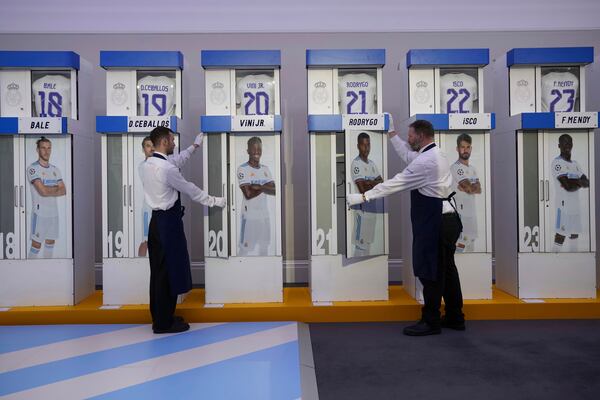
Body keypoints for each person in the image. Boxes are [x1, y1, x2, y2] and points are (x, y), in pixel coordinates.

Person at [347, 118, 464, 336]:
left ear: (420, 136)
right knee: (447, 270)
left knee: (431, 272)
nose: (408, 139)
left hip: (435, 223)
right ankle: (455, 317)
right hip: (448, 221)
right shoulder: (433, 153)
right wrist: (392, 134)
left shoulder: (425, 162)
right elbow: (406, 154)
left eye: (410, 136)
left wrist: (364, 196)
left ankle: (431, 321)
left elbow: (396, 183)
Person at [141, 127, 226, 334]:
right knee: (168, 273)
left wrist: (194, 146)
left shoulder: (147, 164)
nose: (174, 143)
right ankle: (164, 324)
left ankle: (162, 317)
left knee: (159, 273)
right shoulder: (167, 169)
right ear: (163, 142)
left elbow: (177, 160)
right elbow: (190, 190)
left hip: (156, 223)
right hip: (168, 223)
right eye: (171, 140)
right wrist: (215, 201)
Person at [137, 134, 203, 257]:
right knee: (147, 244)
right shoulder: (145, 166)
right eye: (147, 146)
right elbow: (175, 163)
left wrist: (195, 145)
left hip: (163, 216)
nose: (151, 149)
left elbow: (179, 159)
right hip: (150, 212)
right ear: (143, 149)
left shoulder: (163, 163)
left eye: (152, 146)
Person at [28, 137, 66, 259]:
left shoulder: (55, 170)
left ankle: (48, 271)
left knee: (50, 243)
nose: (46, 151)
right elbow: (42, 191)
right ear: (37, 150)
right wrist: (55, 188)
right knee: (36, 245)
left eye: (49, 148)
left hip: (53, 214)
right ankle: (29, 271)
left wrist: (48, 189)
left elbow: (63, 190)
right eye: (43, 148)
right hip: (40, 214)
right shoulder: (33, 169)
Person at [237, 136, 275, 256]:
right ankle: (241, 273)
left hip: (264, 217)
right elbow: (248, 194)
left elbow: (274, 190)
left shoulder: (265, 169)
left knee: (264, 250)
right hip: (249, 218)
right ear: (248, 151)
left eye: (259, 149)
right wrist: (265, 186)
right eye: (253, 149)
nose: (257, 152)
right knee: (244, 251)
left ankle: (263, 274)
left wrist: (259, 186)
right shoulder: (243, 169)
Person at [551, 134, 589, 252]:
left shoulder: (576, 164)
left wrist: (574, 182)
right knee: (560, 236)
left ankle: (573, 260)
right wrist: (579, 182)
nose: (567, 145)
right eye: (564, 143)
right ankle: (554, 259)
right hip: (563, 207)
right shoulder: (557, 163)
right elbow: (567, 187)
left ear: (572, 145)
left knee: (574, 235)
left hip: (575, 206)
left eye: (569, 143)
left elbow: (587, 183)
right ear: (559, 145)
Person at [351, 132, 383, 256]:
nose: (367, 148)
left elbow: (382, 182)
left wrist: (370, 182)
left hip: (372, 211)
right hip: (362, 212)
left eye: (368, 145)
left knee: (368, 245)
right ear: (358, 146)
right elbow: (363, 189)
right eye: (363, 145)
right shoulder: (356, 164)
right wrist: (374, 182)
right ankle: (355, 273)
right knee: (360, 246)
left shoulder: (372, 164)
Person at [450, 133, 481, 253]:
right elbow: (469, 188)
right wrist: (469, 187)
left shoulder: (473, 169)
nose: (465, 150)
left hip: (471, 219)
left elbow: (478, 189)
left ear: (471, 149)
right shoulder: (455, 168)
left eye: (468, 147)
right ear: (457, 149)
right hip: (460, 219)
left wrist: (469, 187)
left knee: (471, 253)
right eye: (462, 147)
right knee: (459, 253)